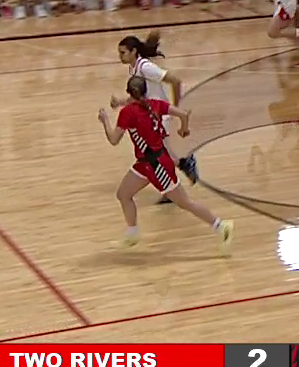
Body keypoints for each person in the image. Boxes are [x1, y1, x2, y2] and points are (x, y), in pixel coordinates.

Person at [98, 75, 233, 252]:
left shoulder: (127, 113)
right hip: (147, 162)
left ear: (129, 93)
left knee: (185, 202)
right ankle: (132, 233)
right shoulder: (155, 104)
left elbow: (114, 139)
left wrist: (105, 121)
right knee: (123, 194)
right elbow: (183, 114)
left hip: (156, 166)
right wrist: (183, 129)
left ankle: (221, 226)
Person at [117, 30, 200, 203]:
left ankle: (184, 163)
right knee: (158, 156)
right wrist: (121, 102)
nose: (120, 56)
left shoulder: (146, 67)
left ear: (134, 52)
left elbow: (175, 80)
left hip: (160, 115)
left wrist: (178, 106)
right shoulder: (134, 68)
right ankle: (174, 182)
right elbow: (138, 96)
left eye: (123, 53)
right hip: (149, 116)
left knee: (156, 156)